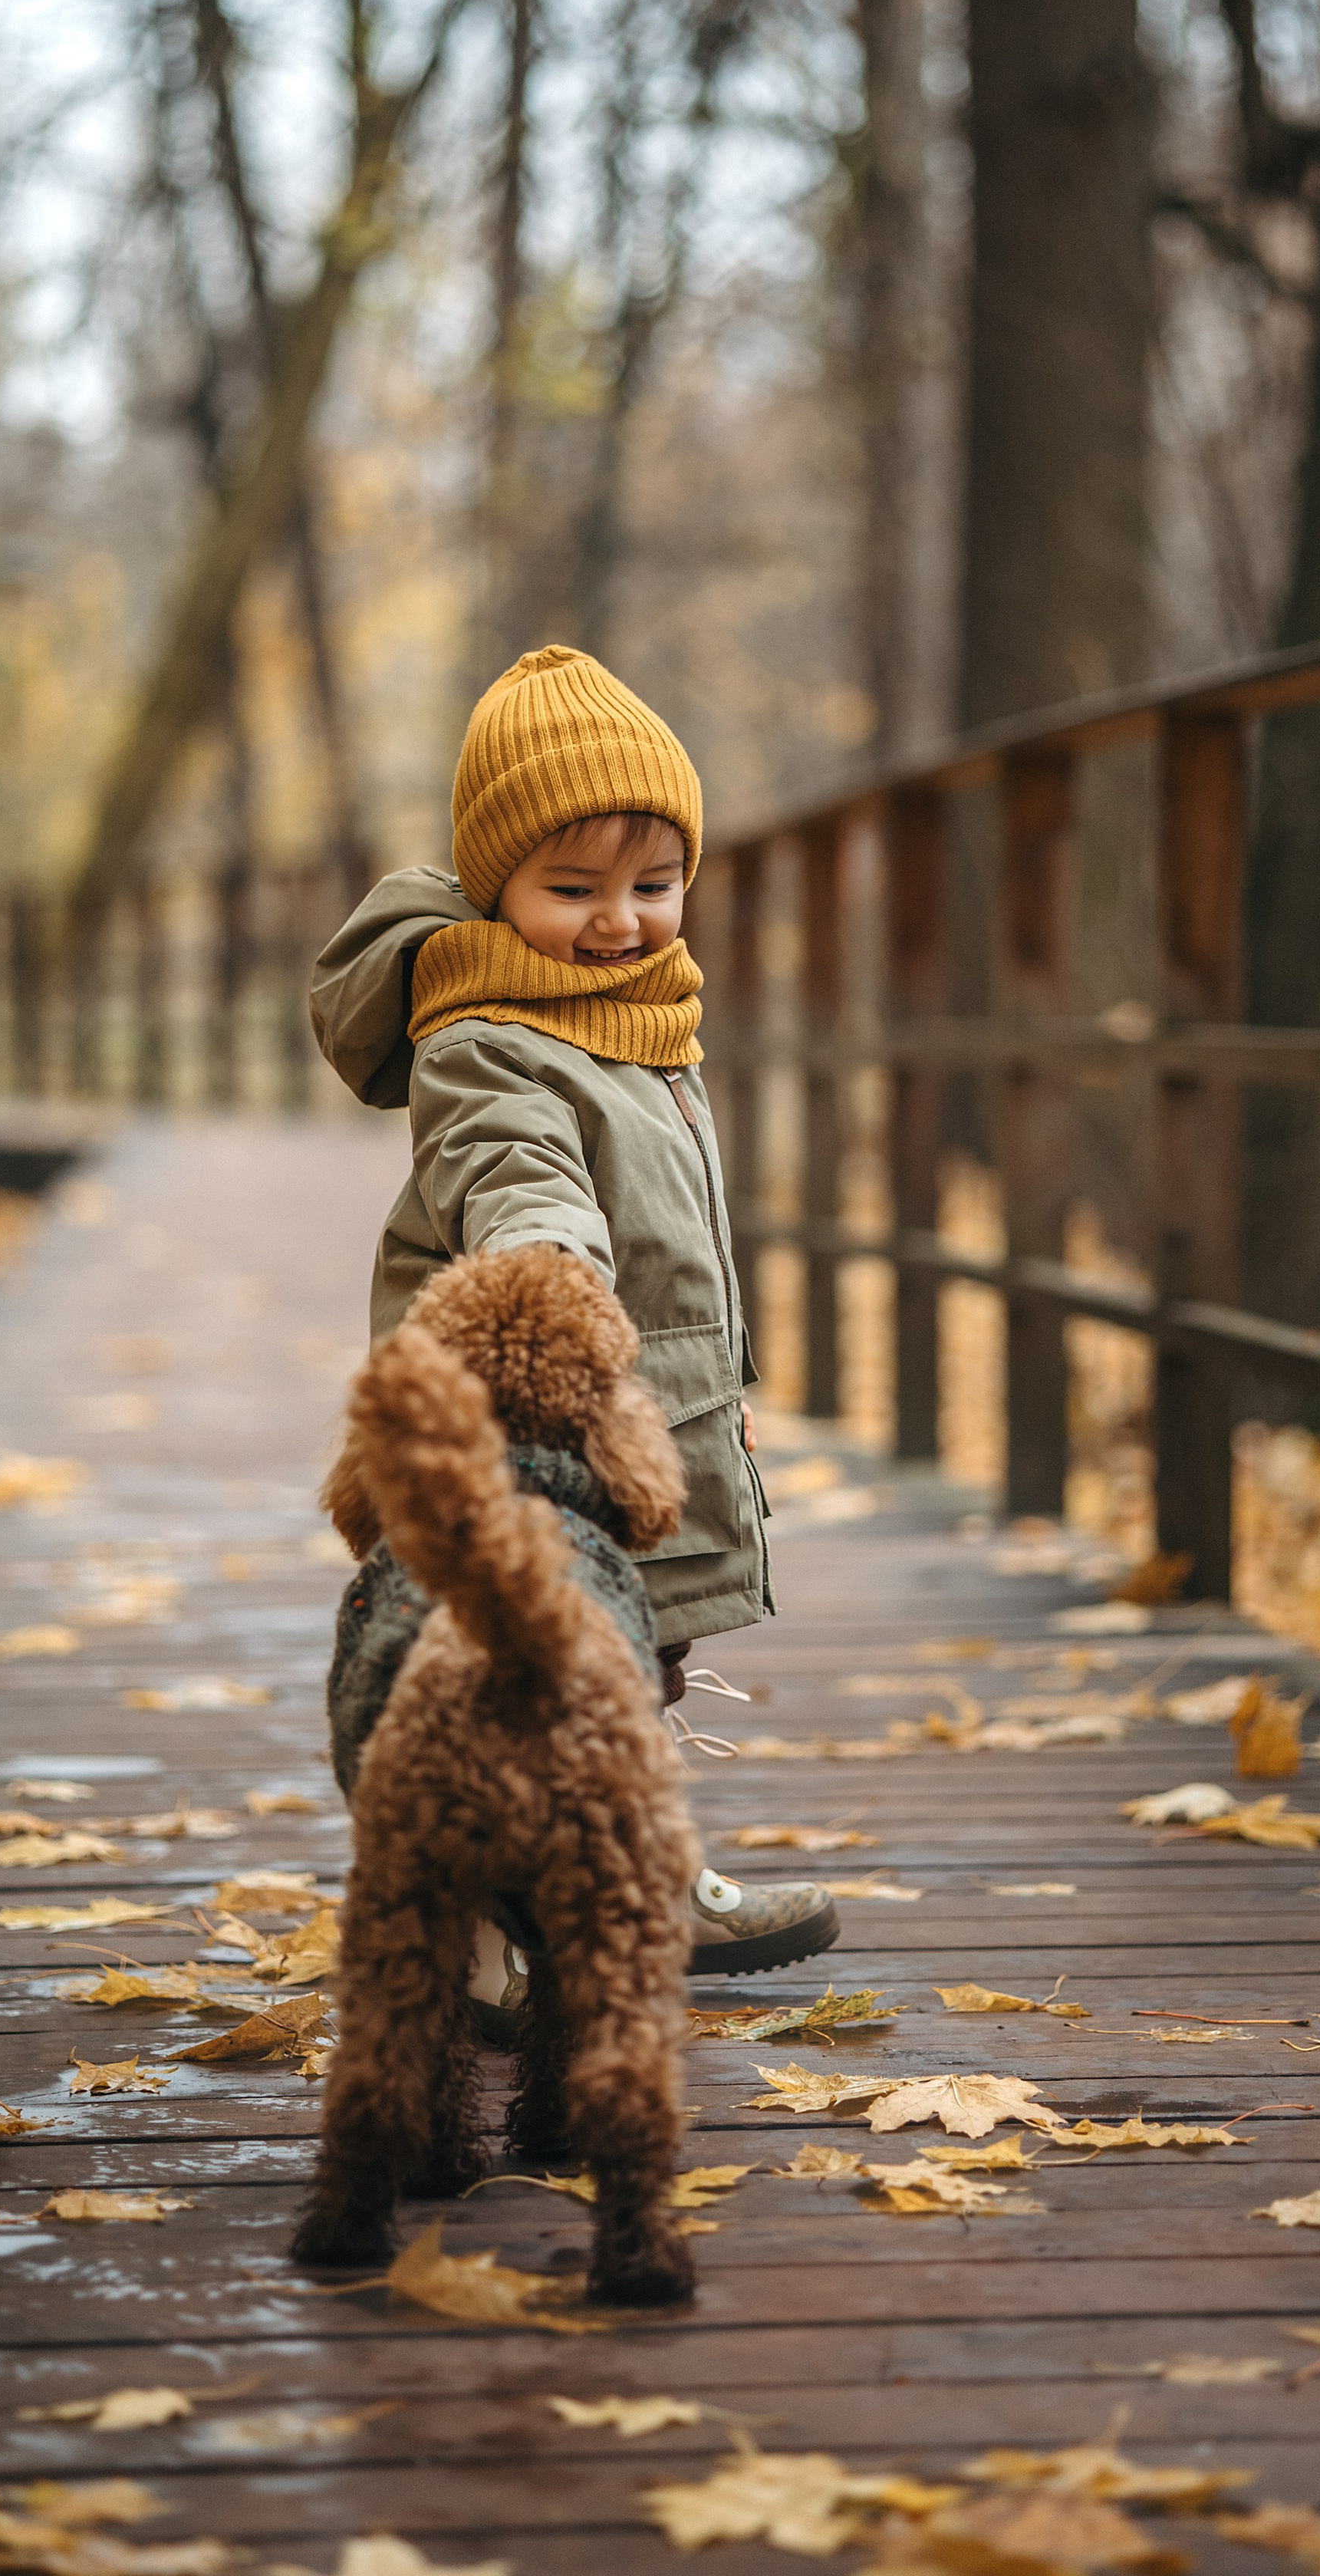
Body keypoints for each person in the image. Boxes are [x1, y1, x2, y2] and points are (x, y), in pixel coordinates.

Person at [311, 643, 838, 2023]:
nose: (620, 922)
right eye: (573, 891)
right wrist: (550, 1263)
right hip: (550, 1414)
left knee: (638, 1664)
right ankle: (482, 1928)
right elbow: (516, 1167)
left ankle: (634, 1878)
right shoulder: (487, 1036)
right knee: (513, 1660)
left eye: (654, 887)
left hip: (653, 1404)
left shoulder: (629, 1016)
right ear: (495, 888)